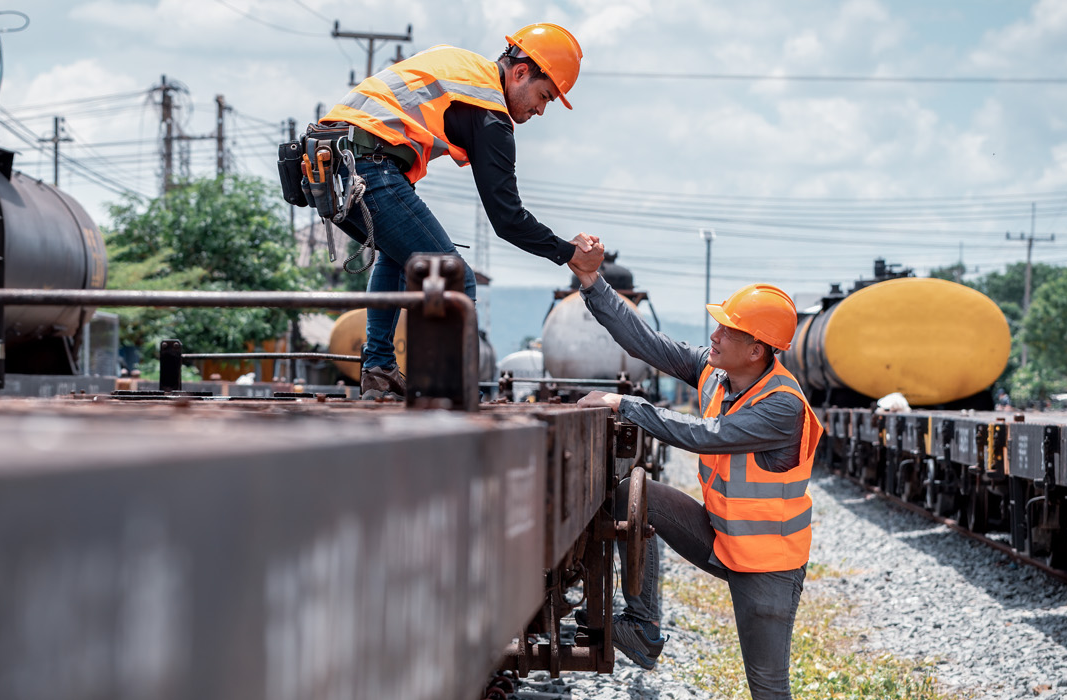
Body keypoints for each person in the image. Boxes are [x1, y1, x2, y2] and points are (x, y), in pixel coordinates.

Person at [564, 242, 822, 700]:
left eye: (728, 330)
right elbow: (648, 344)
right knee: (633, 495)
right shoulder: (718, 373)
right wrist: (591, 282)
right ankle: (642, 628)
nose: (715, 336)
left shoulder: (782, 405)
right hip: (721, 537)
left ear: (757, 349)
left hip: (768, 566)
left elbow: (704, 435)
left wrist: (626, 404)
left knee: (767, 687)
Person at [316, 23, 590, 399]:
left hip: (334, 164)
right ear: (521, 72)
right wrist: (569, 252)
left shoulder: (461, 65)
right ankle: (451, 389)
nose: (540, 110)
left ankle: (379, 368)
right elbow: (507, 218)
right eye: (543, 96)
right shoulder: (490, 109)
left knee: (399, 257)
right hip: (368, 166)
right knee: (455, 279)